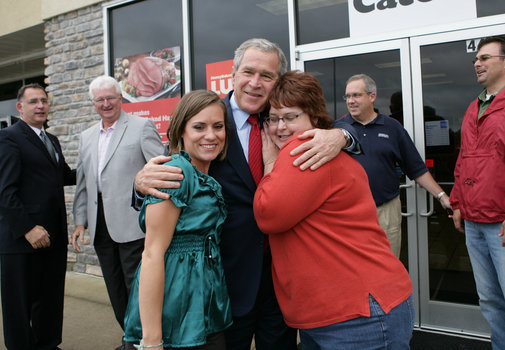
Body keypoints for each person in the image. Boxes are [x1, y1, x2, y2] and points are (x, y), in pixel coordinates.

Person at [133, 38, 359, 350]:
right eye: (248, 72)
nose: (255, 83)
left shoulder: (284, 117)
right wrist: (140, 185)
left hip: (284, 278)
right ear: (234, 72)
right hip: (225, 281)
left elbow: (344, 126)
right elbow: (169, 174)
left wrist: (342, 136)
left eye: (266, 76)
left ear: (276, 81)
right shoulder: (208, 119)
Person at [253, 70, 414, 349]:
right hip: (344, 313)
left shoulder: (305, 151)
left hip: (358, 317)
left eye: (291, 117)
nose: (280, 127)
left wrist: (268, 165)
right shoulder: (328, 148)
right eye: (274, 118)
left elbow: (268, 215)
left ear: (314, 119)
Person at [124, 90, 232, 350]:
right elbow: (152, 254)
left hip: (206, 304)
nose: (211, 135)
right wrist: (151, 341)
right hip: (174, 307)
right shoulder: (175, 172)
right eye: (199, 126)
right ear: (180, 131)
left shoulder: (203, 171)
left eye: (218, 126)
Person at [71, 75, 164, 349]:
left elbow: (159, 168)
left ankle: (144, 339)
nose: (106, 103)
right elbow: (83, 183)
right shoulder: (86, 136)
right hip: (100, 225)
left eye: (110, 97)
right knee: (114, 287)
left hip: (134, 222)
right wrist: (80, 222)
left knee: (137, 287)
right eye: (100, 99)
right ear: (93, 103)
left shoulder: (141, 127)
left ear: (121, 98)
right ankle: (130, 337)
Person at [334, 74, 452, 257]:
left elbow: (416, 168)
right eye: (347, 96)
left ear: (372, 96)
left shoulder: (392, 127)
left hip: (385, 211)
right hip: (349, 213)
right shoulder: (337, 129)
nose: (350, 101)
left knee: (387, 267)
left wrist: (442, 196)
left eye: (356, 95)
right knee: (352, 269)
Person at [449, 35, 505, 350]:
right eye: (477, 58)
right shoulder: (474, 106)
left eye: (486, 57)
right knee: (490, 301)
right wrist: (458, 202)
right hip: (474, 222)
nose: (478, 62)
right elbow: (464, 160)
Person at [0, 84, 76, 349]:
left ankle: (48, 343)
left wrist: (102, 168)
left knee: (50, 297)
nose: (41, 106)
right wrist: (28, 228)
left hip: (53, 235)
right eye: (33, 101)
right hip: (22, 238)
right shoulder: (8, 137)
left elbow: (65, 176)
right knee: (18, 303)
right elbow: (4, 192)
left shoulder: (51, 140)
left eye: (44, 100)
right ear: (20, 107)